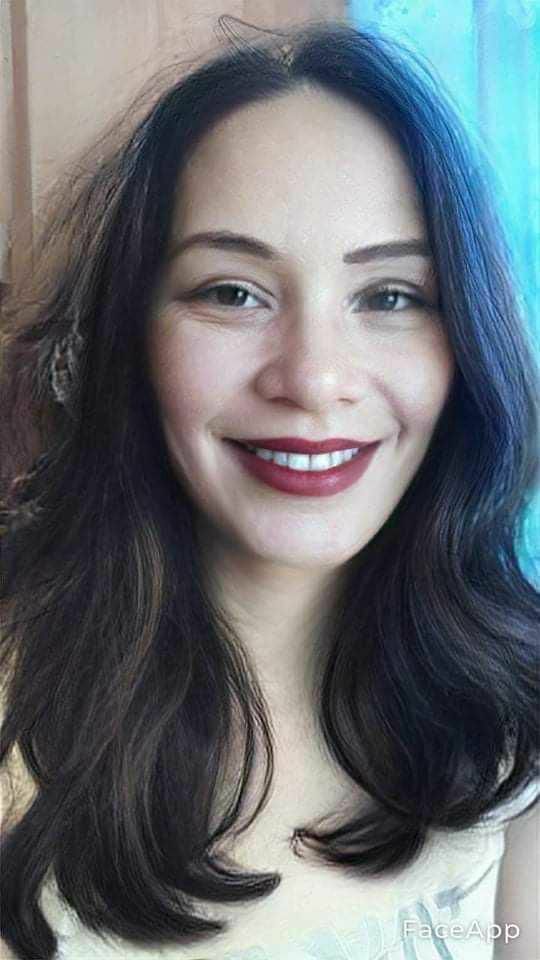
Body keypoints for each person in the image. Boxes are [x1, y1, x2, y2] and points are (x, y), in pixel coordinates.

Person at [1, 15, 539, 960]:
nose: (314, 379)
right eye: (232, 292)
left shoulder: (516, 726)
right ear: (132, 337)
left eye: (391, 296)